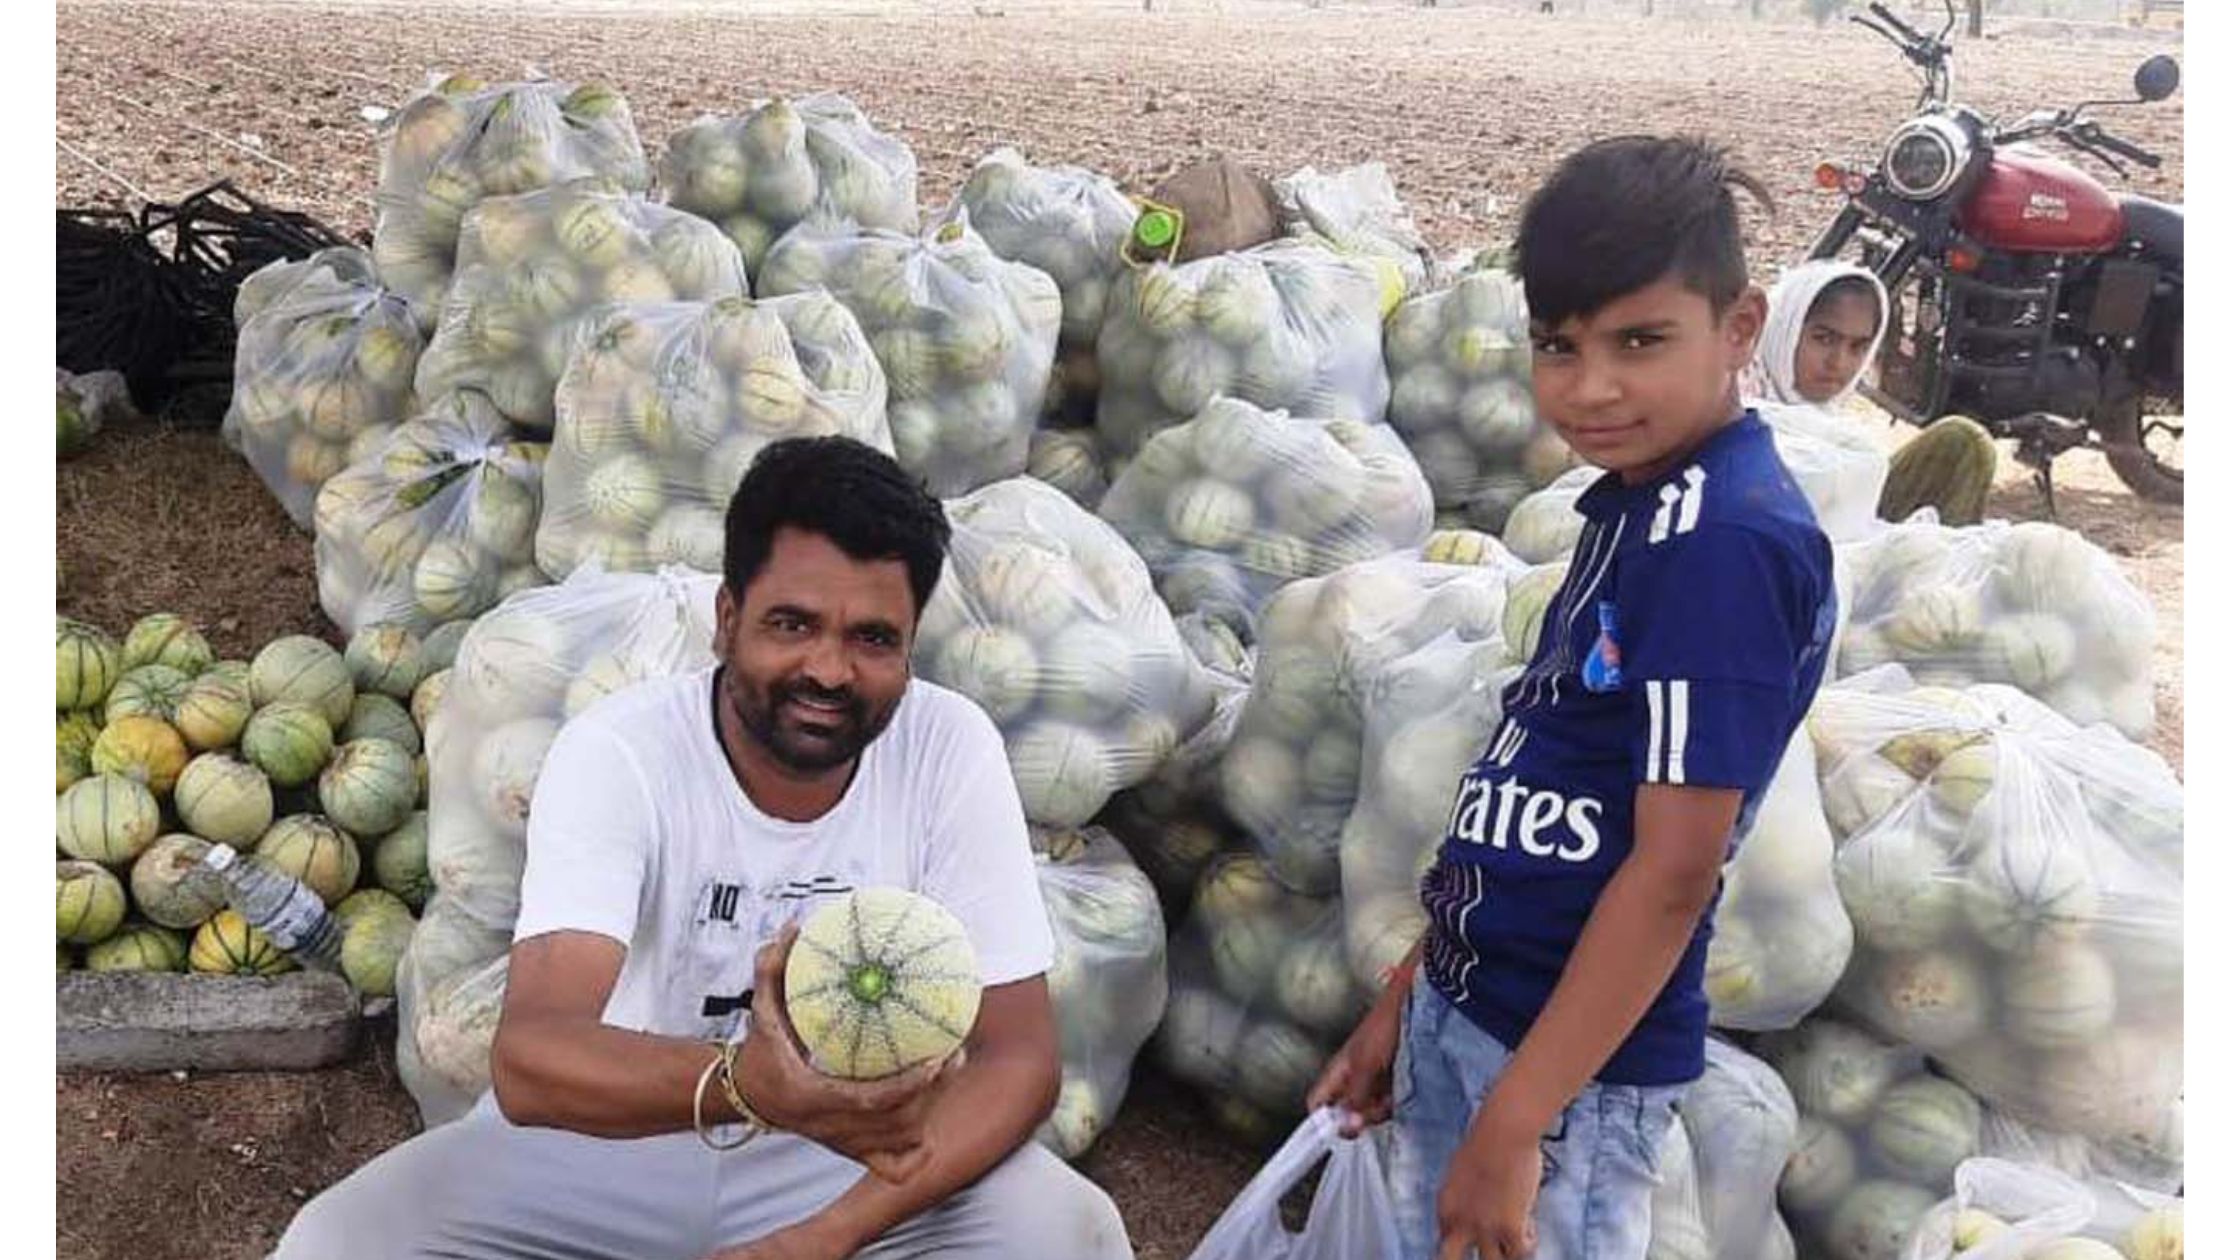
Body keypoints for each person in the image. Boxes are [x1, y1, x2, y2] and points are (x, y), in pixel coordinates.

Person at [273, 436, 1132, 1260]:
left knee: (1067, 1233)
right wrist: (747, 1084)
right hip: (619, 1134)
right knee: (339, 1243)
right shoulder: (621, 751)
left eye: (873, 638)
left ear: (910, 647)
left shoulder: (949, 746)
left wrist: (827, 1237)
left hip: (845, 1151)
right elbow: (532, 1060)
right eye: (792, 624)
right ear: (727, 620)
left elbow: (1020, 1058)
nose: (829, 670)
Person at [1309, 135, 1837, 1260]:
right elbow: (1529, 789)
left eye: (1640, 341)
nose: (1590, 387)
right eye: (1558, 345)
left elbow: (1672, 873)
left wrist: (1516, 1121)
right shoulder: (1637, 508)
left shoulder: (1723, 545)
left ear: (1738, 327)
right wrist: (1408, 998)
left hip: (1562, 1078)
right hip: (1477, 1011)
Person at [1748, 258, 1999, 525]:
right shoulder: (1738, 406)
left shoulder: (1832, 428)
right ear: (1785, 328)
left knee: (1963, 442)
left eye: (1857, 347)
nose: (1838, 362)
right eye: (1823, 339)